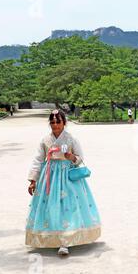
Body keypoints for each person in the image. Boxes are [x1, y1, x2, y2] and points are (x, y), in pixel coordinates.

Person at [26, 110, 101, 256]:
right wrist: (33, 180)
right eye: (52, 122)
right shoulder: (45, 140)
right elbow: (38, 160)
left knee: (69, 207)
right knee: (51, 207)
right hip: (50, 177)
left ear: (64, 123)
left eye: (58, 122)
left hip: (67, 177)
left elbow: (80, 158)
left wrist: (71, 156)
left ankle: (65, 241)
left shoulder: (71, 139)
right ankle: (51, 237)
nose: (55, 125)